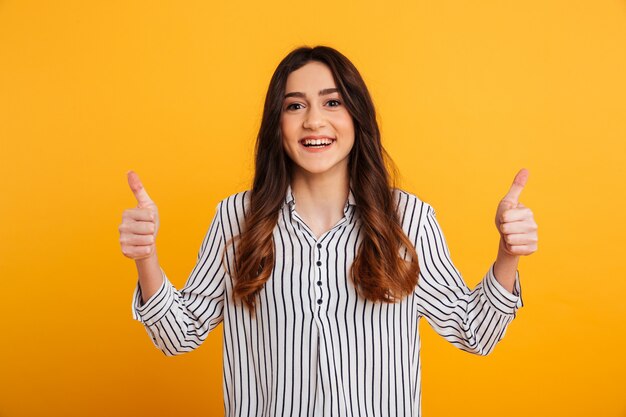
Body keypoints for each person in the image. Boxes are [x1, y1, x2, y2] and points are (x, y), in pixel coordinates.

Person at [119, 45, 538, 417]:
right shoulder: (237, 220)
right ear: (276, 125)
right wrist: (146, 258)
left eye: (332, 102)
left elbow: (474, 332)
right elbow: (178, 334)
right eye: (295, 106)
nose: (314, 121)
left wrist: (507, 253)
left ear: (357, 117)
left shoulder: (407, 220)